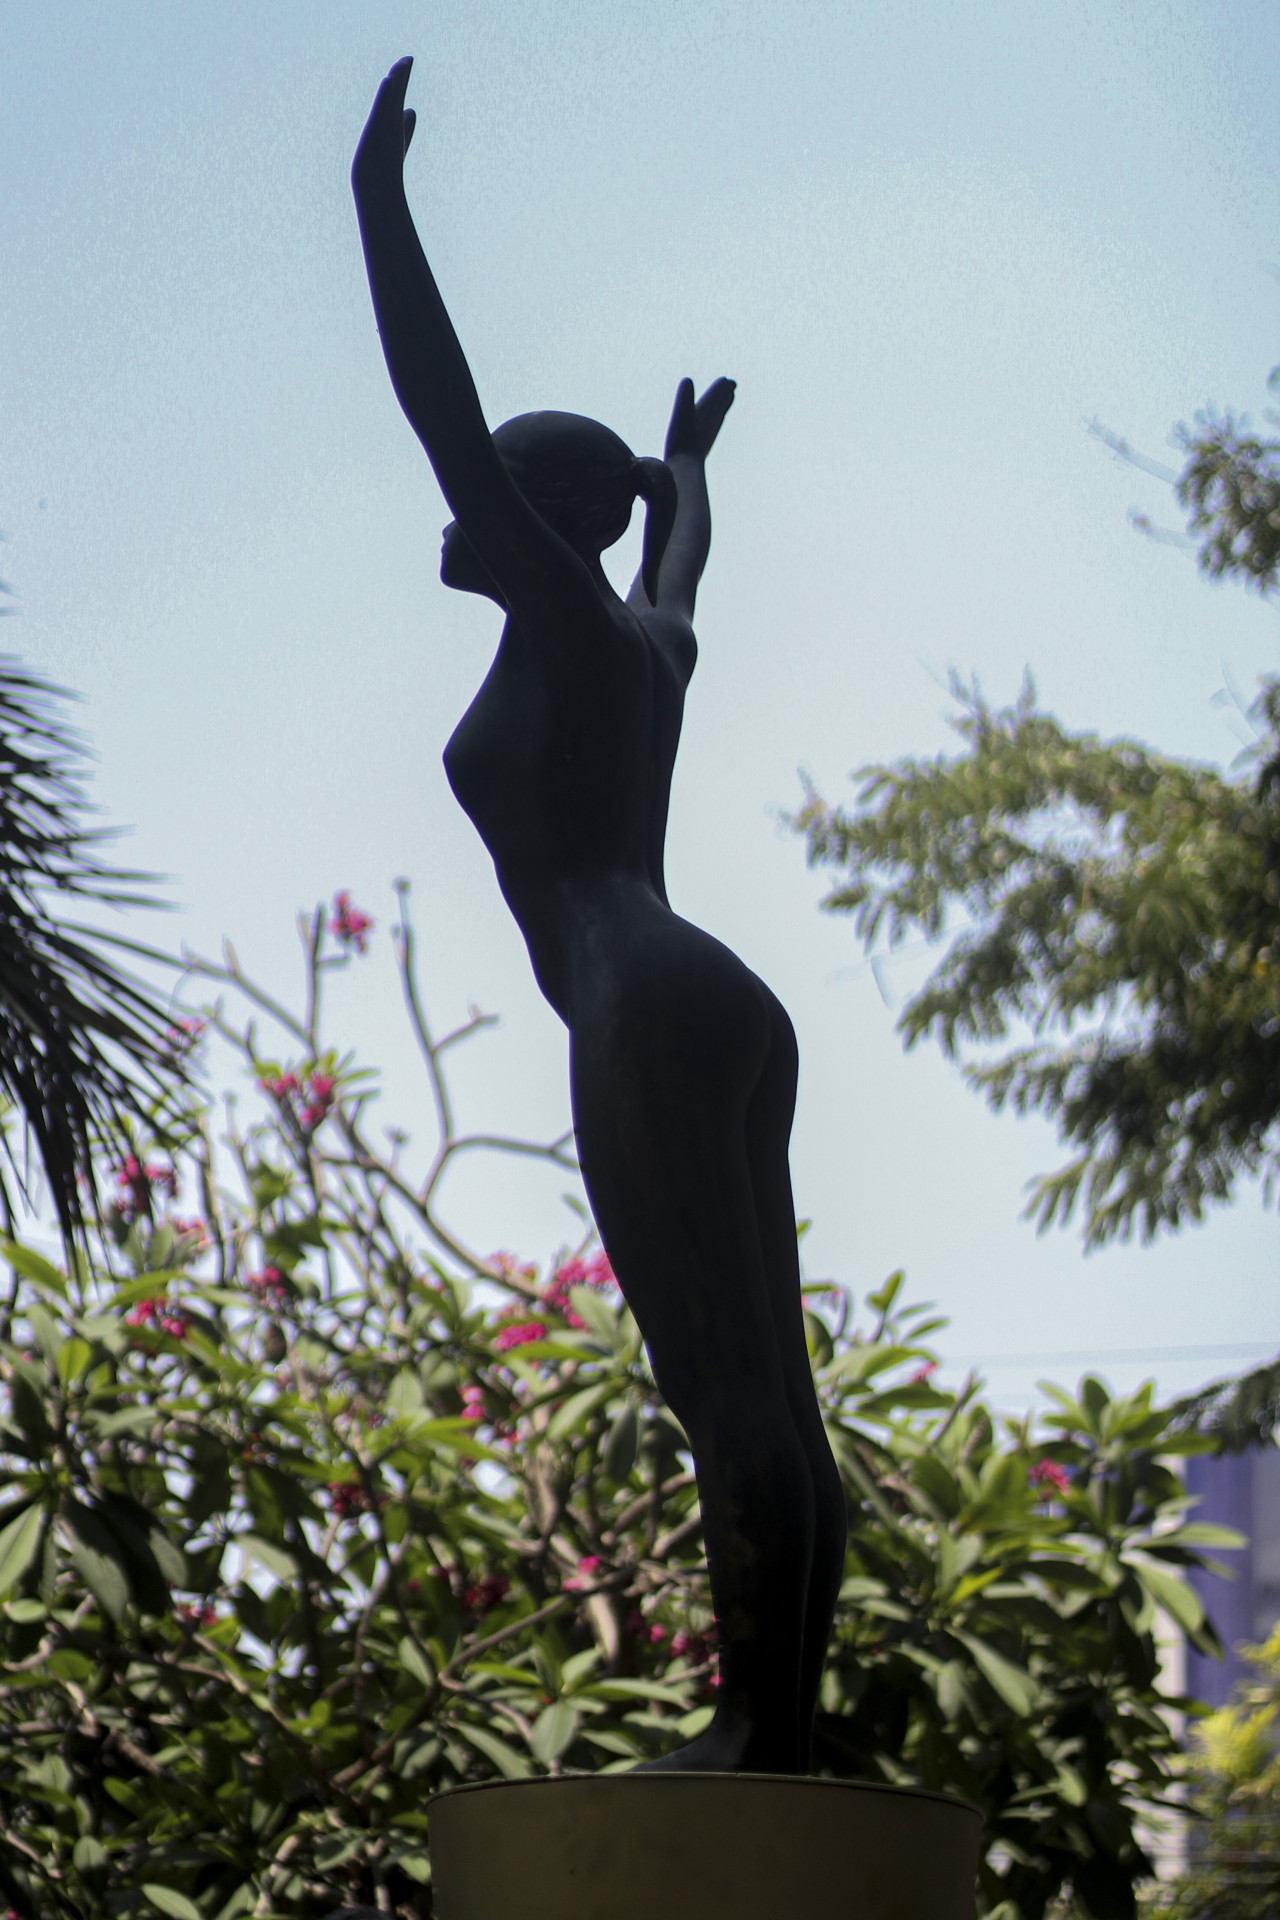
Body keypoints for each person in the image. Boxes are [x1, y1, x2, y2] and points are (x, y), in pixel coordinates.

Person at [352, 57, 846, 1774]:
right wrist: (683, 469)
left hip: (635, 1002)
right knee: (774, 1389)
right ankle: (785, 1728)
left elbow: (437, 402)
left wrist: (380, 210)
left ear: (548, 522)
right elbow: (679, 557)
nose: (458, 505)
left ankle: (757, 1734)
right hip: (714, 988)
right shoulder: (644, 642)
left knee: (722, 1389)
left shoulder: (569, 619)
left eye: (494, 489)